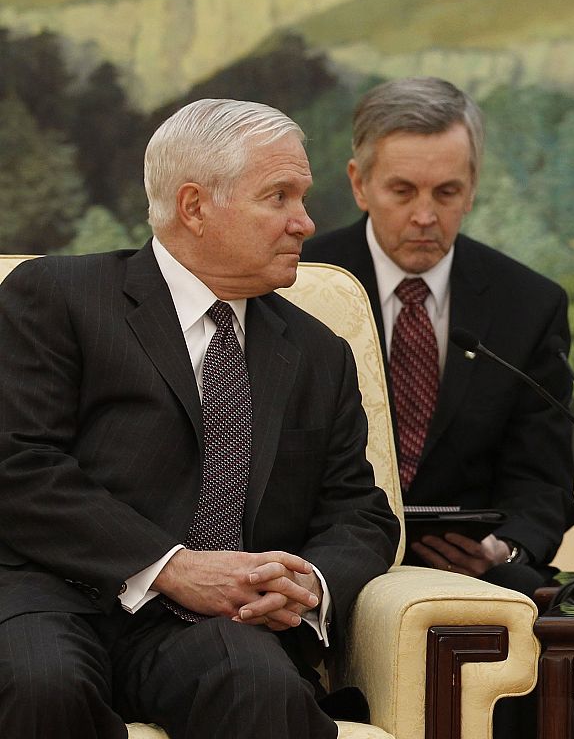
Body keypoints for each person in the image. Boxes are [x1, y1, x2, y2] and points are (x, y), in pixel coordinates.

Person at [0, 99, 399, 738]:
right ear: (194, 206)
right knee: (42, 683)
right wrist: (172, 566)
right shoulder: (57, 297)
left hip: (215, 629)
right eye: (279, 197)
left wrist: (309, 583)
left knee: (260, 684)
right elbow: (18, 465)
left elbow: (360, 511)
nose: (305, 221)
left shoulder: (320, 353)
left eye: (302, 197)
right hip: (56, 594)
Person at [303, 76, 574, 597]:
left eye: (446, 192)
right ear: (360, 184)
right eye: (402, 191)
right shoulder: (300, 284)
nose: (425, 216)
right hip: (320, 559)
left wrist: (504, 548)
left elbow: (542, 484)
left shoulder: (529, 305)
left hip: (465, 574)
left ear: (472, 187)